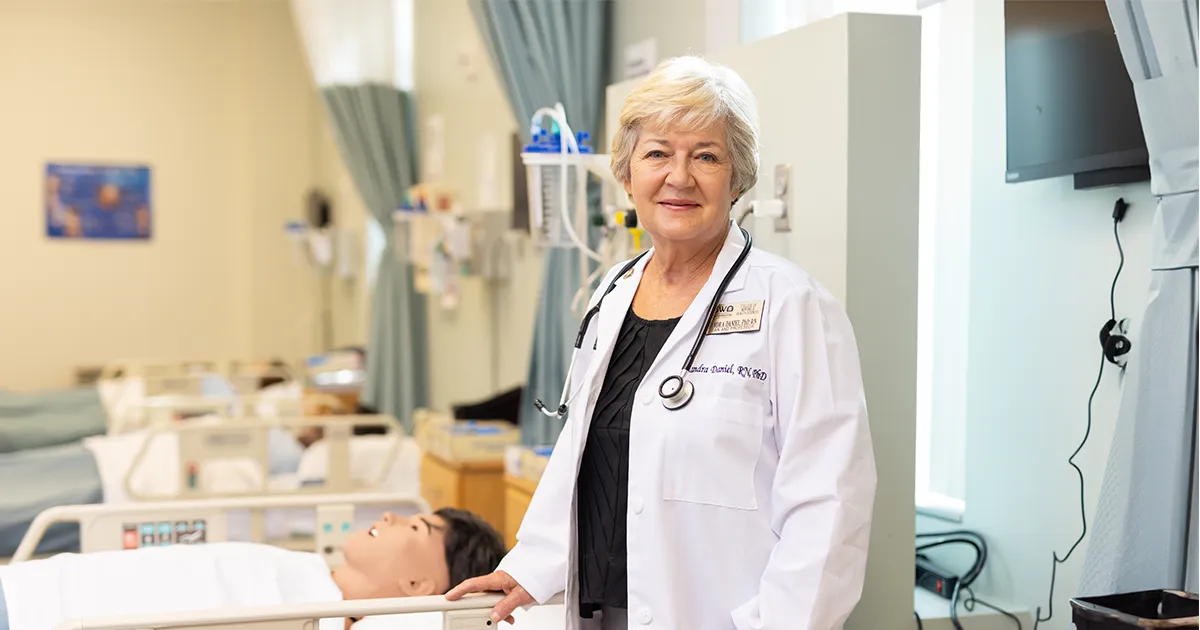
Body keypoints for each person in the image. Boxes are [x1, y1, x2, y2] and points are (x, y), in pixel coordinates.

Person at [447, 56, 877, 630]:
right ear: (627, 174)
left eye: (706, 156)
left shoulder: (792, 305)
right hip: (605, 612)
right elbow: (587, 454)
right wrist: (533, 563)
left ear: (738, 177)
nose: (679, 176)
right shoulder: (613, 293)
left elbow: (831, 503)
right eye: (657, 154)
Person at [0, 508, 506, 630]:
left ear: (418, 585)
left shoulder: (310, 616)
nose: (392, 516)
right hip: (35, 587)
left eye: (415, 528)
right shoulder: (301, 571)